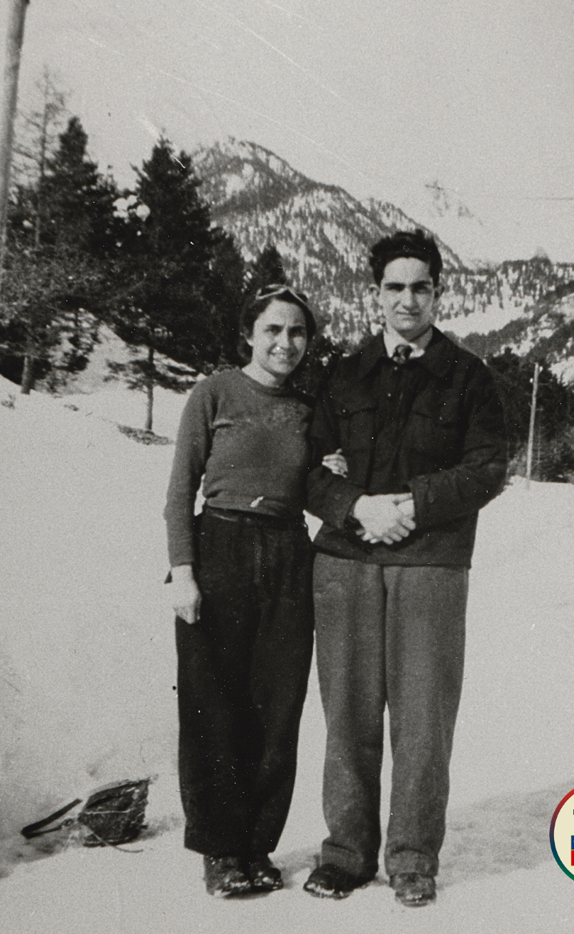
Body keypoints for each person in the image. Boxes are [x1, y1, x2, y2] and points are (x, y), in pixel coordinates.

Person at [304, 230, 507, 907]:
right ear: (376, 294)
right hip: (345, 561)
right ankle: (345, 853)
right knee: (347, 716)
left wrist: (411, 505)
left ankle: (413, 858)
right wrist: (355, 506)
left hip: (431, 565)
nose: (407, 300)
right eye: (394, 287)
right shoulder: (344, 374)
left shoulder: (468, 377)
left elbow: (486, 468)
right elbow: (306, 468)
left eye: (421, 287)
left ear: (438, 293)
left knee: (422, 720)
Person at [165, 283, 328, 898]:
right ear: (249, 335)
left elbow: (316, 482)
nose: (286, 342)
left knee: (277, 707)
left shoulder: (309, 409)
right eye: (273, 330)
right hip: (221, 549)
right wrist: (184, 571)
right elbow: (180, 489)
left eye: (297, 332)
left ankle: (257, 846)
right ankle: (219, 848)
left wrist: (330, 469)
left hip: (288, 554)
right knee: (213, 705)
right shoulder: (214, 392)